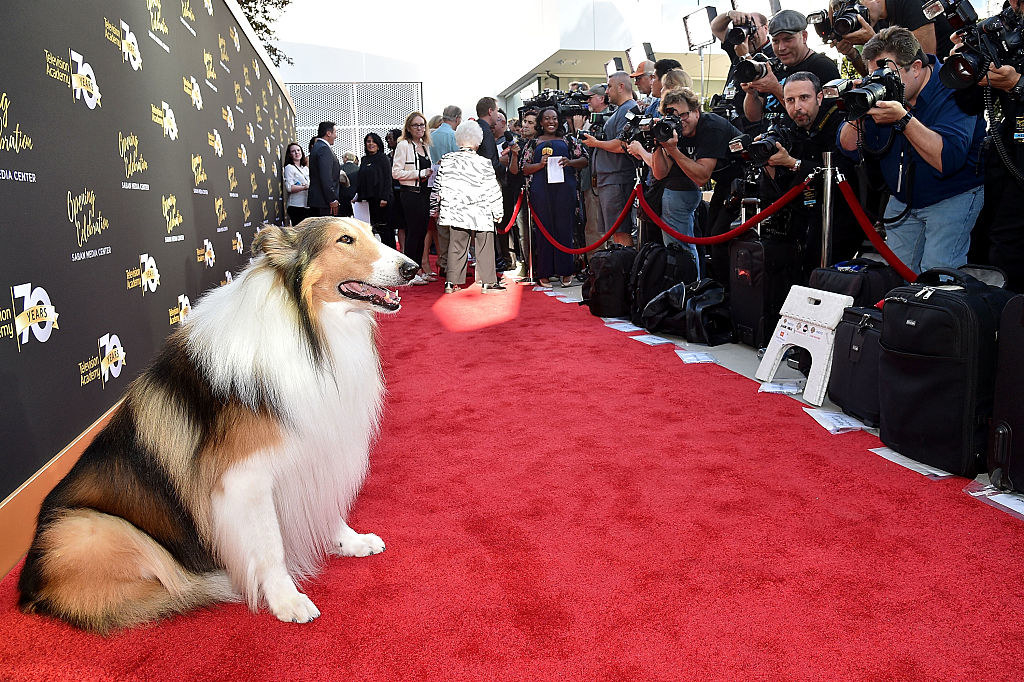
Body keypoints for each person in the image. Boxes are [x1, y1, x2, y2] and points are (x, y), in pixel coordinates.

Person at [837, 27, 985, 273]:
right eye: (877, 75)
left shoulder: (954, 85)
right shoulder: (881, 90)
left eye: (889, 74)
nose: (883, 82)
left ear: (916, 67)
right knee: (896, 275)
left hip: (952, 195)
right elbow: (848, 146)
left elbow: (946, 159)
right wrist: (857, 110)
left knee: (937, 279)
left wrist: (903, 119)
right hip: (902, 199)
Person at [627, 87, 740, 276]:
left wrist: (673, 150)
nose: (680, 121)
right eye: (672, 116)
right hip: (723, 182)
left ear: (696, 111)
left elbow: (702, 176)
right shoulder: (673, 130)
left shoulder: (711, 126)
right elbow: (660, 173)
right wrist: (658, 143)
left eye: (684, 114)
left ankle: (706, 290)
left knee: (717, 238)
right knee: (711, 237)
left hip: (743, 177)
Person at [759, 72, 861, 273]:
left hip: (839, 219)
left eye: (804, 98)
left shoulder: (839, 122)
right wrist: (768, 163)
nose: (797, 107)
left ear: (819, 97)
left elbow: (841, 176)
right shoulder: (788, 127)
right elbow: (781, 190)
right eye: (790, 100)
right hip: (801, 220)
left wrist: (793, 163)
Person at [956, 0, 1024, 291]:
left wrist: (1018, 84)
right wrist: (967, 65)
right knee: (988, 242)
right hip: (1008, 148)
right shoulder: (1001, 25)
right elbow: (968, 104)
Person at [511, 106, 588, 287]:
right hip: (540, 191)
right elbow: (523, 168)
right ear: (541, 122)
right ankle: (544, 272)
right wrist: (539, 165)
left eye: (554, 118)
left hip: (565, 191)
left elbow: (584, 159)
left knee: (565, 230)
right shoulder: (532, 143)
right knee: (543, 231)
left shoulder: (568, 139)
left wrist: (569, 162)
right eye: (547, 118)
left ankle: (566, 271)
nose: (551, 122)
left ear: (559, 120)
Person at [431, 120, 506, 294]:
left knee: (456, 245)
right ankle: (488, 282)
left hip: (456, 210)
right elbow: (492, 189)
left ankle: (452, 282)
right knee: (485, 245)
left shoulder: (447, 160)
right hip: (481, 211)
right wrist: (498, 211)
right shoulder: (484, 163)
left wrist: (434, 209)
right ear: (478, 141)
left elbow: (437, 187)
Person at [742, 10, 841, 128]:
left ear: (804, 37)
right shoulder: (773, 67)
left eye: (788, 39)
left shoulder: (822, 66)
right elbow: (754, 117)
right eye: (775, 41)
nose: (781, 47)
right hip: (769, 140)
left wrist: (775, 88)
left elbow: (821, 121)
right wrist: (751, 93)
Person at [580, 71, 640, 247]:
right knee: (614, 231)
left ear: (621, 87)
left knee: (620, 231)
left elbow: (622, 145)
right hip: (609, 180)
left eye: (610, 87)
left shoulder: (629, 109)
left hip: (618, 179)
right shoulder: (620, 111)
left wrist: (596, 143)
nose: (607, 92)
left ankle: (624, 269)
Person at [827, 0, 953, 74]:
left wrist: (874, 41)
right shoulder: (872, 19)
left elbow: (924, 64)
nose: (855, 12)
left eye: (856, 4)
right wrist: (852, 54)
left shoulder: (909, 3)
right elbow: (873, 73)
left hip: (949, 82)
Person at [711, 10, 773, 133]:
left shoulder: (773, 54)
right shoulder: (738, 46)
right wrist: (729, 14)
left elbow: (765, 81)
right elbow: (716, 28)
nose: (748, 35)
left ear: (765, 28)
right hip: (727, 122)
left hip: (751, 127)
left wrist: (745, 56)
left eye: (752, 27)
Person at [392, 112, 435, 284]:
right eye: (416, 125)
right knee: (413, 233)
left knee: (422, 232)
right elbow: (396, 173)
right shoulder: (403, 145)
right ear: (409, 128)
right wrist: (419, 174)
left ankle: (417, 270)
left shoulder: (425, 146)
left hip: (424, 194)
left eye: (422, 125)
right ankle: (410, 274)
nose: (420, 128)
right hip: (410, 194)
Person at [429, 105, 462, 277]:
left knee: (441, 227)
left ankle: (442, 262)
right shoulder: (455, 136)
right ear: (457, 118)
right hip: (453, 185)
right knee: (455, 228)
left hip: (434, 184)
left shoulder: (431, 136)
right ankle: (452, 264)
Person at [355, 133, 394, 247]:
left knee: (386, 231)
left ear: (378, 143)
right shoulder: (364, 159)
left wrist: (384, 198)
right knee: (372, 230)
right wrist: (358, 196)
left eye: (373, 141)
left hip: (382, 201)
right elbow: (361, 179)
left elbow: (388, 179)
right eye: (368, 141)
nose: (370, 144)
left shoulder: (383, 158)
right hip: (368, 201)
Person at [308, 121, 342, 217]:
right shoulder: (324, 149)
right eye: (335, 132)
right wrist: (332, 199)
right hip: (324, 203)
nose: (336, 136)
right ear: (328, 133)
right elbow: (326, 177)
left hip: (320, 201)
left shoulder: (317, 147)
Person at [385, 128, 406, 251]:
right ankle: (401, 249)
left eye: (390, 138)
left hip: (402, 191)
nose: (388, 141)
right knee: (396, 224)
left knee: (404, 224)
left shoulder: (404, 153)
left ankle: (405, 248)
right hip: (392, 193)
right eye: (387, 138)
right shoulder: (387, 157)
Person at [283, 141, 310, 226]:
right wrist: (304, 187)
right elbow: (289, 188)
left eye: (298, 150)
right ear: (290, 155)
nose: (297, 153)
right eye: (293, 151)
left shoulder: (305, 168)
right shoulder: (289, 168)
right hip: (295, 206)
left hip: (306, 206)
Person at [337, 151, 359, 218]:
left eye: (342, 158)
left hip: (342, 198)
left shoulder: (339, 168)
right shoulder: (359, 169)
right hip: (356, 198)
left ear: (346, 158)